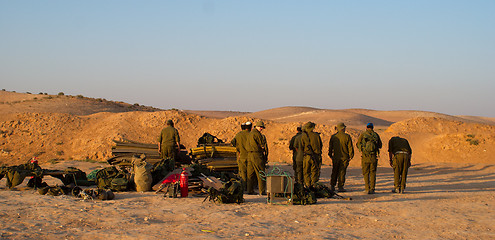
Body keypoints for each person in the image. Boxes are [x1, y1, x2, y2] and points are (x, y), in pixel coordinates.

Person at [356, 122, 382, 194]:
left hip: (365, 157)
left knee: (366, 173)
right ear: (372, 128)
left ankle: (367, 188)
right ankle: (372, 189)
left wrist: (361, 149)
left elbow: (358, 144)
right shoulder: (376, 135)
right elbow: (380, 145)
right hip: (373, 157)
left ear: (366, 127)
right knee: (373, 173)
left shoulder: (363, 134)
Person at [328, 122, 354, 192]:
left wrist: (330, 155)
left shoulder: (333, 137)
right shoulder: (347, 136)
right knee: (342, 172)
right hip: (344, 158)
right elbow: (350, 147)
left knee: (334, 171)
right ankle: (340, 187)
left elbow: (330, 147)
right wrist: (351, 156)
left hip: (336, 157)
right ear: (342, 128)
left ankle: (332, 186)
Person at [246, 121, 268, 195]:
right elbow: (262, 145)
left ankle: (250, 190)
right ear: (257, 126)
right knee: (261, 173)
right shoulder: (257, 134)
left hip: (249, 155)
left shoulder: (250, 134)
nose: (261, 129)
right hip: (257, 155)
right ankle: (262, 191)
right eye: (261, 127)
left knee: (250, 174)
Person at [300, 121, 323, 188]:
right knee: (314, 171)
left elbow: (301, 147)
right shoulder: (316, 136)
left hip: (307, 156)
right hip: (316, 156)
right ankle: (314, 185)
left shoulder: (303, 136)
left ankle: (307, 185)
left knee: (306, 172)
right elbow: (320, 146)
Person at [231, 121, 252, 190]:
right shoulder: (251, 134)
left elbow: (232, 142)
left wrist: (237, 147)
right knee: (250, 173)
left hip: (241, 155)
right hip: (250, 156)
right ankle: (250, 188)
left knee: (242, 172)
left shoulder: (239, 134)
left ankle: (243, 187)